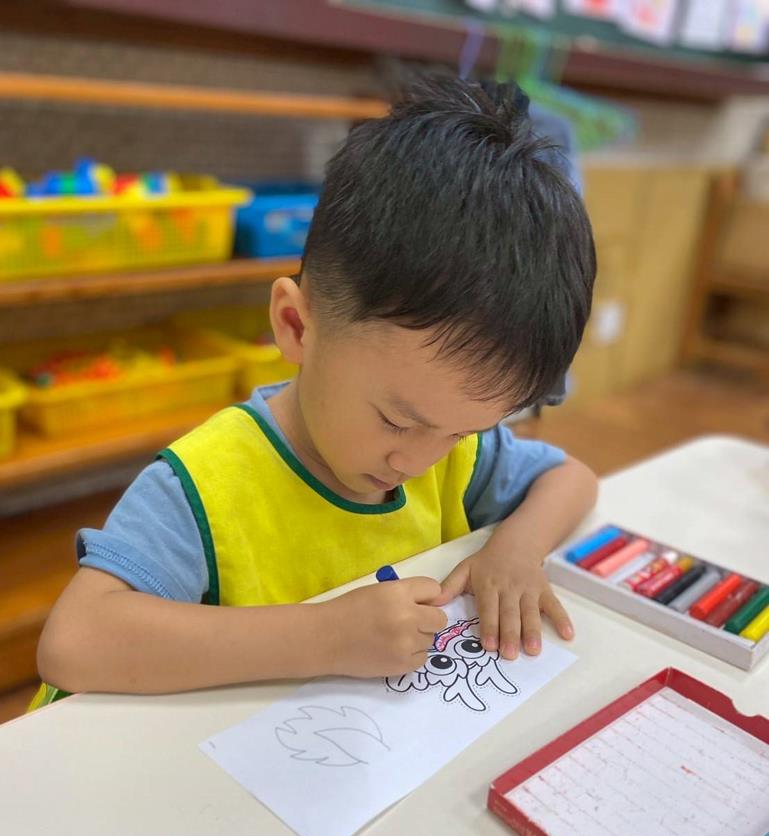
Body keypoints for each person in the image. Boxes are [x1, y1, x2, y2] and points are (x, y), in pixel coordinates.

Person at [36, 76, 597, 701]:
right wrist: (325, 637)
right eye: (395, 421)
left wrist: (515, 550)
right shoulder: (208, 485)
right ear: (297, 326)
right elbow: (75, 642)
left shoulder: (449, 444)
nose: (417, 462)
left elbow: (570, 478)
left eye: (462, 431)